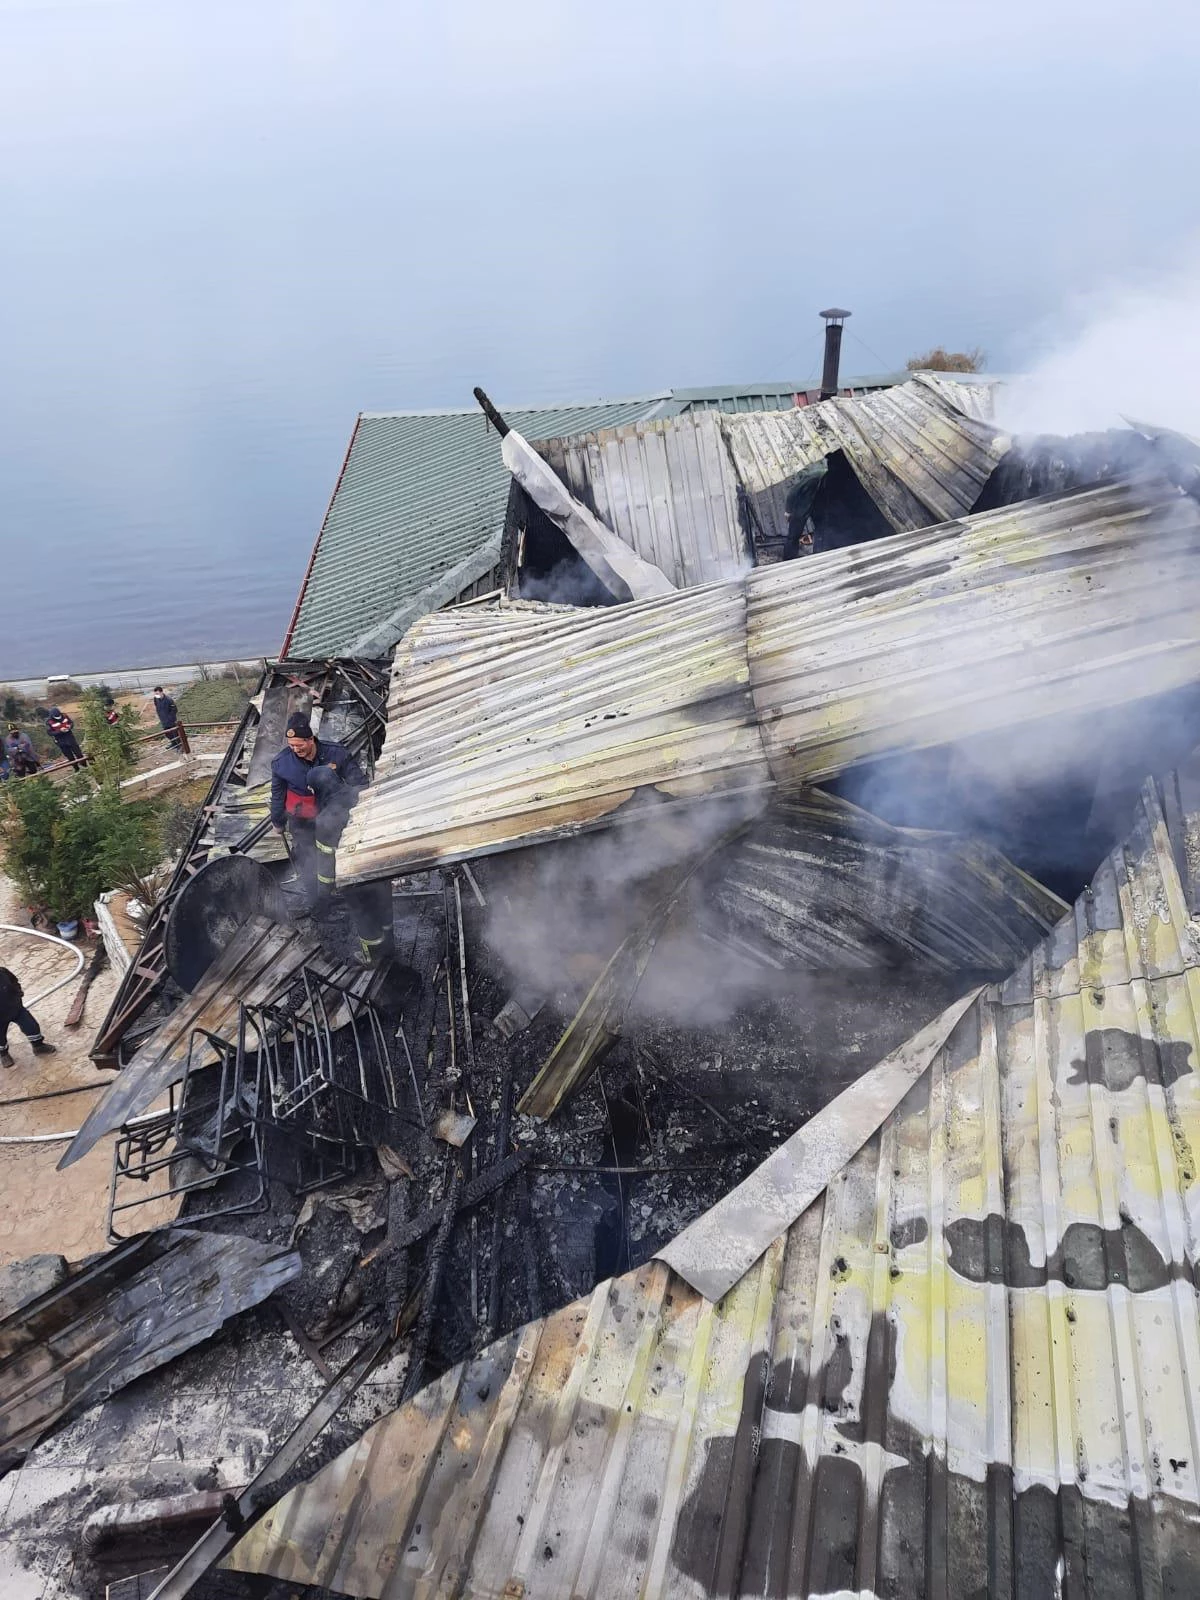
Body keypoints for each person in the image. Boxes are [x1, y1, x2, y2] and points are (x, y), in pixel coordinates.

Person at [270, 714, 384, 959]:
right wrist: (277, 821)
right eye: (291, 747)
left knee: (333, 859)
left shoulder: (335, 753)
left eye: (300, 746)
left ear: (311, 739)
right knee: (310, 863)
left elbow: (359, 783)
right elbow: (277, 795)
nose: (295, 750)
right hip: (303, 822)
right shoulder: (281, 763)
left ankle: (336, 890)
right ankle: (320, 906)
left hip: (334, 819)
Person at [0, 966, 56, 1068]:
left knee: (32, 1027)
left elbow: (13, 981)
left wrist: (18, 992)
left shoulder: (3, 972)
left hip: (16, 1009)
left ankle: (38, 1046)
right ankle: (3, 1054)